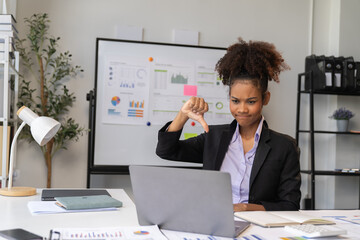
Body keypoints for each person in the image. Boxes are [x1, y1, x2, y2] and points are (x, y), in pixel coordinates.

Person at [156, 38, 301, 211]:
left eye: (251, 101)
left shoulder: (284, 147)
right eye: (235, 101)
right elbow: (166, 151)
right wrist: (183, 115)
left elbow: (290, 205)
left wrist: (246, 208)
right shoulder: (214, 137)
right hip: (214, 219)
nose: (242, 109)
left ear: (265, 99)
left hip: (259, 227)